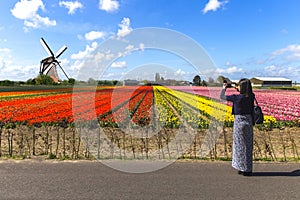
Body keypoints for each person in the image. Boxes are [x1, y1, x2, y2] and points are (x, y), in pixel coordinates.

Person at [220, 78, 254, 176]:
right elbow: (247, 92)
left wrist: (224, 88)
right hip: (248, 122)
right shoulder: (251, 96)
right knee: (247, 146)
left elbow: (222, 96)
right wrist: (238, 87)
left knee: (239, 145)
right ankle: (247, 169)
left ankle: (240, 167)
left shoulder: (236, 98)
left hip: (239, 123)